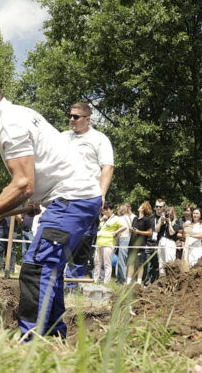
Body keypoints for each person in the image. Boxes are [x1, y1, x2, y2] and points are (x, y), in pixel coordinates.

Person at [0, 68, 102, 338]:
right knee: (50, 269)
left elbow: (23, 183)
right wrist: (36, 198)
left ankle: (29, 344)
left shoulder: (10, 124)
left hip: (72, 199)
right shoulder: (19, 114)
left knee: (35, 268)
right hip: (72, 197)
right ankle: (54, 338)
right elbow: (37, 175)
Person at [61, 102, 115, 289]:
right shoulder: (62, 138)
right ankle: (53, 285)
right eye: (70, 116)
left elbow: (107, 167)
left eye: (76, 117)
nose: (71, 120)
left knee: (81, 244)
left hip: (86, 199)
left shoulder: (99, 139)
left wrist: (101, 195)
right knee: (57, 239)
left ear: (87, 119)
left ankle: (72, 287)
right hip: (63, 197)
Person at [94, 202, 126, 283]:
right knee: (97, 263)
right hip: (99, 243)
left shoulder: (116, 218)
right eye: (104, 210)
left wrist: (115, 232)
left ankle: (106, 282)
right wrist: (102, 219)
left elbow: (124, 227)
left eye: (107, 209)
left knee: (107, 264)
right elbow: (97, 227)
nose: (106, 211)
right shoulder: (103, 219)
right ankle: (95, 280)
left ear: (112, 210)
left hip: (108, 244)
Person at [126, 201, 154, 285]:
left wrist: (139, 232)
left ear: (143, 209)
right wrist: (131, 230)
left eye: (141, 206)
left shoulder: (147, 220)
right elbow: (134, 230)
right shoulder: (135, 218)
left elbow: (150, 232)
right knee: (131, 263)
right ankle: (128, 282)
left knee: (139, 264)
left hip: (140, 244)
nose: (139, 206)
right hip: (132, 243)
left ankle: (138, 283)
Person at [156, 206, 181, 274]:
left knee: (169, 261)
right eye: (166, 213)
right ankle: (162, 277)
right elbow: (156, 230)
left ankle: (170, 277)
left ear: (173, 214)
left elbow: (171, 233)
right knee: (161, 261)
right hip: (161, 241)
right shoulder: (163, 221)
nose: (168, 215)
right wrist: (160, 221)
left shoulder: (176, 222)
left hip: (170, 242)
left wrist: (169, 222)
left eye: (169, 214)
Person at [115, 203, 133, 283]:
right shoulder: (128, 217)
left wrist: (115, 232)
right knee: (121, 259)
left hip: (124, 239)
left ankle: (123, 280)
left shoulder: (122, 218)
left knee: (122, 260)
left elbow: (124, 227)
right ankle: (120, 278)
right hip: (127, 239)